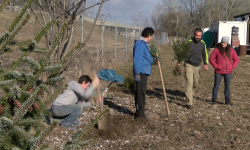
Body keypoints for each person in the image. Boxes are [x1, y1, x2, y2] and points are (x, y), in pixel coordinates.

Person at [177, 28, 209, 109]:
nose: (197, 37)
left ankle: (190, 93)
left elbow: (205, 54)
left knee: (195, 83)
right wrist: (179, 60)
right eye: (196, 35)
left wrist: (205, 63)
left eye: (199, 36)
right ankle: (189, 102)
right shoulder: (189, 42)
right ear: (194, 35)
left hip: (197, 66)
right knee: (189, 83)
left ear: (201, 36)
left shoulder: (203, 44)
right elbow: (183, 51)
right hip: (189, 65)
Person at [133, 27, 158, 121]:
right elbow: (137, 60)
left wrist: (154, 60)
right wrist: (137, 73)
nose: (151, 38)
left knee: (141, 92)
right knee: (140, 93)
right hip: (140, 73)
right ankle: (140, 114)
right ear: (148, 36)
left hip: (144, 72)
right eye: (151, 36)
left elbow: (146, 58)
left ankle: (140, 112)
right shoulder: (140, 44)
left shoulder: (144, 45)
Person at [209, 36, 239, 105]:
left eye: (225, 43)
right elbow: (211, 59)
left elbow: (236, 60)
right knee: (216, 85)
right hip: (218, 72)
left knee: (227, 86)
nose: (223, 44)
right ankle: (214, 100)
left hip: (228, 72)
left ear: (227, 43)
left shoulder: (231, 50)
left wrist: (232, 67)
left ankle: (227, 101)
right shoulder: (217, 49)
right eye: (222, 42)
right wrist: (216, 66)